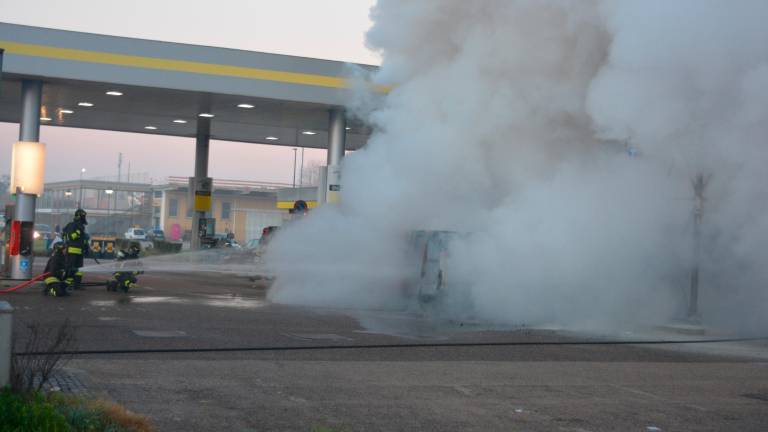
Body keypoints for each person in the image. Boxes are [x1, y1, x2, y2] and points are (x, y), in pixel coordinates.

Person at [62, 209, 89, 290]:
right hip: (72, 251)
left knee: (79, 270)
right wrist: (78, 232)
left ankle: (77, 284)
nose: (84, 218)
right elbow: (70, 237)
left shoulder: (81, 226)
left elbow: (82, 239)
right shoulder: (72, 225)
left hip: (80, 252)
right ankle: (66, 284)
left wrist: (86, 246)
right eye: (83, 216)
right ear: (79, 216)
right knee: (70, 268)